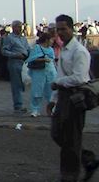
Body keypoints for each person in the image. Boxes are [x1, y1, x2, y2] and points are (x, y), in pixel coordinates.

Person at [48, 14, 97, 182]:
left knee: (71, 137)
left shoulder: (79, 51)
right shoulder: (65, 49)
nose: (60, 32)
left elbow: (80, 78)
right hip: (62, 97)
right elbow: (61, 74)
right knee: (57, 133)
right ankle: (87, 158)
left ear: (71, 29)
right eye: (58, 29)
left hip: (75, 98)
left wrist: (57, 83)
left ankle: (70, 175)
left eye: (63, 29)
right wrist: (53, 99)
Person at [2, 20, 30, 113]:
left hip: (24, 62)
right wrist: (15, 54)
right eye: (18, 26)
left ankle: (22, 103)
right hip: (14, 62)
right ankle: (18, 105)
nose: (20, 28)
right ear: (14, 27)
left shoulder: (23, 39)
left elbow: (28, 49)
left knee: (23, 83)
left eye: (21, 26)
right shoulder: (9, 38)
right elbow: (4, 51)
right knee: (16, 84)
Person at [26, 32, 56, 118]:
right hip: (39, 72)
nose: (52, 41)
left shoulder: (51, 49)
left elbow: (53, 59)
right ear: (47, 40)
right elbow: (31, 59)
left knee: (51, 91)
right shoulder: (36, 48)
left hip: (50, 72)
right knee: (37, 90)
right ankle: (35, 109)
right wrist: (42, 59)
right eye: (51, 40)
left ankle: (51, 109)